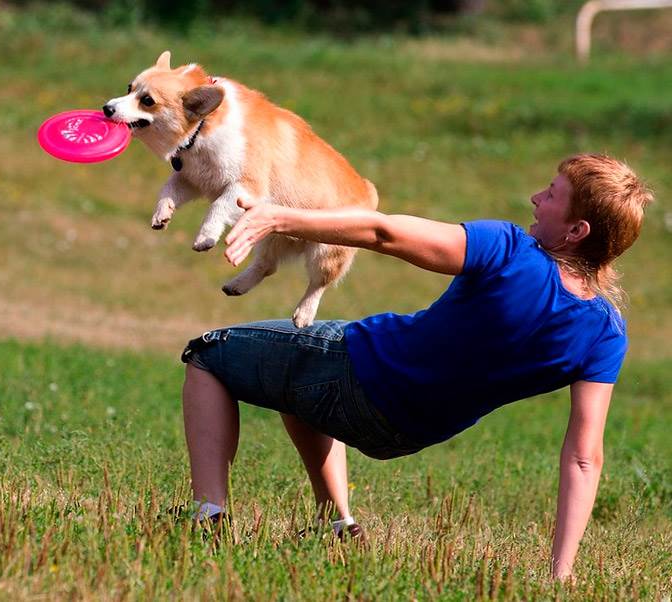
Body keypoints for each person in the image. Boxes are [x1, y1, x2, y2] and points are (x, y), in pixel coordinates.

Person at [178, 153, 652, 580]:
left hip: (356, 368)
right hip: (409, 432)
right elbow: (584, 458)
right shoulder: (606, 334)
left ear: (577, 231)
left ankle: (208, 516)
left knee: (207, 356)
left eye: (551, 195)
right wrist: (561, 571)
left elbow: (383, 233)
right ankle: (336, 523)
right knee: (293, 369)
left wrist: (280, 217)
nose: (535, 198)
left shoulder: (509, 251)